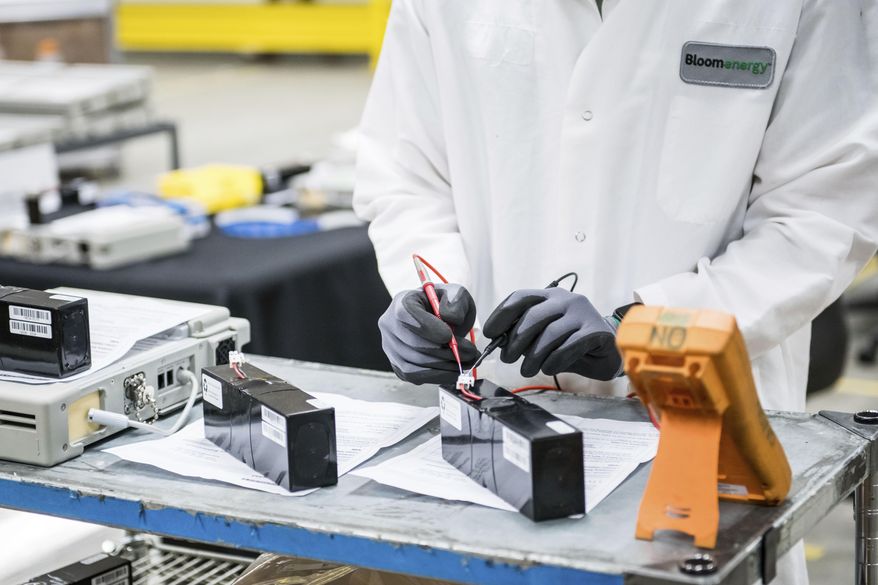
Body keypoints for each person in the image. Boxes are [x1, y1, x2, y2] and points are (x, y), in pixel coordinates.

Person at [353, 2, 878, 584]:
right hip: (493, 435)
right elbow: (407, 174)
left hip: (698, 433)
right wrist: (426, 289)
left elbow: (821, 216)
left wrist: (647, 324)